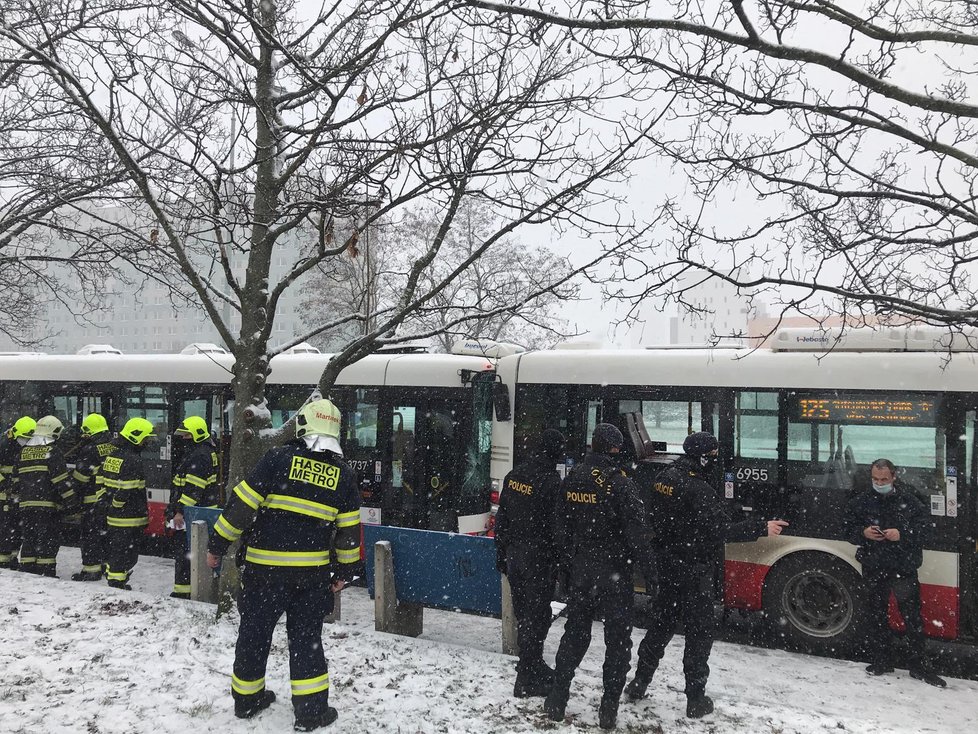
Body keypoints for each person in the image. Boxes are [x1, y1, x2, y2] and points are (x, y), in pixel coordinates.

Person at [207, 398, 362, 731]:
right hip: (312, 579)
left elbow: (241, 507)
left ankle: (247, 701)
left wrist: (216, 546)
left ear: (302, 425)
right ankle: (310, 713)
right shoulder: (344, 477)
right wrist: (345, 574)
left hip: (264, 574)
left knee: (254, 634)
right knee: (307, 641)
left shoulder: (277, 459)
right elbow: (348, 535)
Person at [625, 431, 788, 718]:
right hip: (693, 570)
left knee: (660, 627)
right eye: (712, 456)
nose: (715, 461)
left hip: (667, 566)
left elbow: (656, 517)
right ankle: (695, 698)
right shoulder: (698, 489)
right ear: (702, 457)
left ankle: (639, 682)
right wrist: (762, 528)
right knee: (699, 635)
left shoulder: (664, 478)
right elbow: (719, 530)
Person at [544, 423, 656, 730]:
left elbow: (559, 527)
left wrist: (569, 563)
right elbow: (637, 536)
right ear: (617, 449)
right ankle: (608, 709)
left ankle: (557, 697)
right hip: (613, 573)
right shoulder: (620, 483)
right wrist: (651, 577)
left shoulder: (573, 477)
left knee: (575, 633)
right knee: (618, 642)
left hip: (582, 570)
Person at [847, 458, 946, 687]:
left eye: (883, 479)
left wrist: (902, 534)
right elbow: (846, 529)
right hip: (874, 564)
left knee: (911, 617)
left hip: (903, 565)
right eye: (874, 479)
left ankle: (919, 666)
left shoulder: (910, 501)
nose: (878, 483)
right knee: (876, 614)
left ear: (893, 477)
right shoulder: (861, 502)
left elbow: (927, 531)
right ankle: (882, 660)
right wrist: (863, 532)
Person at [495, 428, 565, 698]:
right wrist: (561, 561)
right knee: (536, 618)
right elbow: (556, 529)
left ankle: (533, 664)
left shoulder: (515, 476)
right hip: (537, 560)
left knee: (526, 615)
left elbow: (502, 518)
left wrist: (501, 554)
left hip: (515, 556)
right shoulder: (550, 482)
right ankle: (526, 678)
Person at [165, 416, 219, 598]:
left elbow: (193, 490)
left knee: (185, 554)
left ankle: (183, 592)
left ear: (196, 435)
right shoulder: (203, 452)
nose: (183, 439)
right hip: (199, 512)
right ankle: (186, 589)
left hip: (192, 513)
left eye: (186, 435)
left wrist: (180, 511)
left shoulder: (199, 456)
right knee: (189, 554)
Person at [14, 415, 75, 576]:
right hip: (47, 507)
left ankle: (27, 569)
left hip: (25, 506)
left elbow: (15, 481)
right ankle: (46, 571)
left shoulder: (23, 452)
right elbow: (61, 482)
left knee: (29, 538)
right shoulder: (53, 452)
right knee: (47, 539)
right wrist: (72, 503)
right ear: (53, 433)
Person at [101, 417, 155, 590]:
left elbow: (104, 482)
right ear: (136, 437)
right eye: (145, 438)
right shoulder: (133, 460)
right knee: (126, 553)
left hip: (115, 516)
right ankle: (116, 583)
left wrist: (110, 505)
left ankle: (115, 576)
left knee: (117, 549)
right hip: (128, 516)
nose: (147, 442)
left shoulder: (112, 456)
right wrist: (118, 505)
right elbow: (127, 488)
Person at [70, 413, 117, 581]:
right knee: (105, 535)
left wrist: (71, 494)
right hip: (110, 500)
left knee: (90, 536)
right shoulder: (113, 445)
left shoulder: (89, 449)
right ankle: (106, 566)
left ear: (89, 431)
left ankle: (91, 570)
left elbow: (81, 478)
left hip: (92, 501)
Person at [0, 416, 35, 569]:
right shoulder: (4, 445)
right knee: (4, 527)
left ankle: (12, 556)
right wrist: (3, 482)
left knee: (15, 527)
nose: (25, 441)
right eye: (23, 438)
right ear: (15, 433)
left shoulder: (23, 446)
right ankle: (3, 558)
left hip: (16, 494)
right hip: (2, 494)